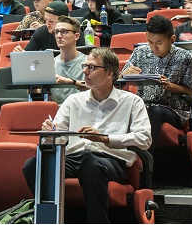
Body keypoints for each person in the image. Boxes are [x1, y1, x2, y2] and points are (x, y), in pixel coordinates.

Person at [23, 48, 151, 224]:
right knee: (34, 165)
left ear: (110, 73)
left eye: (92, 67)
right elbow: (58, 137)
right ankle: (57, 219)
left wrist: (105, 139)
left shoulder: (132, 101)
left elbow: (144, 139)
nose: (85, 71)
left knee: (90, 162)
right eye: (85, 66)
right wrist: (51, 132)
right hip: (74, 157)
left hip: (111, 160)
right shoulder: (73, 101)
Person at [122, 15, 192, 152]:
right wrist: (125, 75)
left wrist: (171, 86)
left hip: (173, 109)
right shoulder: (140, 52)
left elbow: (191, 90)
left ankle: (142, 160)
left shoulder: (186, 58)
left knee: (153, 111)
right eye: (150, 42)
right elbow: (120, 80)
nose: (153, 47)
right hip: (143, 104)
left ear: (172, 39)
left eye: (159, 43)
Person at [14, 1, 85, 53]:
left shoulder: (74, 33)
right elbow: (28, 54)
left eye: (51, 21)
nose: (47, 24)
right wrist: (21, 54)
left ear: (64, 21)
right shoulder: (41, 32)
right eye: (46, 20)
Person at [48, 16, 88, 103]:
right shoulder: (50, 64)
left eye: (64, 32)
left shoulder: (88, 62)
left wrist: (72, 82)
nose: (59, 36)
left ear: (76, 36)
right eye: (57, 32)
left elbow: (96, 88)